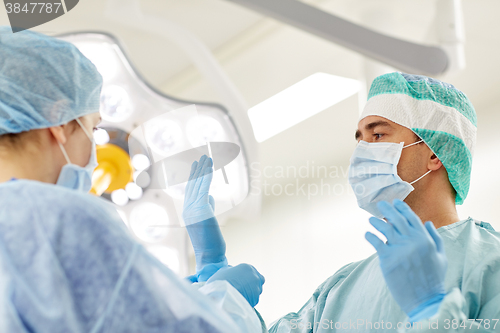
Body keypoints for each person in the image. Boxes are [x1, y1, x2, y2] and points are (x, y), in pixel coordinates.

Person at [0, 26, 265, 333]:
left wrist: (185, 300)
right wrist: (224, 301)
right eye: (94, 129)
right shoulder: (55, 218)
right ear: (59, 123)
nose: (95, 151)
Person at [188, 72, 500, 332]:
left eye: (377, 136)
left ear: (434, 153)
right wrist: (216, 290)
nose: (362, 152)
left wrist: (431, 311)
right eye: (359, 139)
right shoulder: (340, 288)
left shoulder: (488, 261)